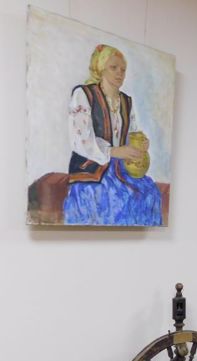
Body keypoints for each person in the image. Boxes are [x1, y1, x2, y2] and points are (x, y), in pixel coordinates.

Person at [63, 44, 162, 226]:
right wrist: (114, 152)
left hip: (120, 169)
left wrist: (140, 142)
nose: (119, 73)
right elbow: (80, 140)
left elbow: (131, 132)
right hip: (91, 170)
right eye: (114, 67)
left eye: (123, 70)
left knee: (151, 194)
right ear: (101, 67)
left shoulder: (126, 101)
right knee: (116, 200)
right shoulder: (84, 94)